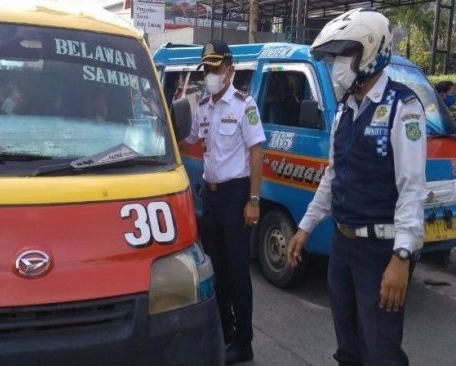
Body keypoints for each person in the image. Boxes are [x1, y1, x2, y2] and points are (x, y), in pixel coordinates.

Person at [286, 8, 427, 366]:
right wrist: (305, 227)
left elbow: (412, 187)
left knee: (380, 351)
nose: (337, 66)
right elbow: (334, 175)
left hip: (381, 252)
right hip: (343, 245)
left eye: (343, 56)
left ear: (368, 51)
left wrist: (402, 256)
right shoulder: (345, 110)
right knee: (348, 347)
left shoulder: (403, 106)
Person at [178, 40, 265, 365]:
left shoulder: (244, 105)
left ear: (229, 70)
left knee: (238, 272)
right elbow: (187, 137)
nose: (210, 74)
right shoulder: (204, 106)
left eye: (216, 68)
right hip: (211, 199)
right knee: (216, 269)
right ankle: (226, 332)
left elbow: (257, 152)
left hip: (236, 197)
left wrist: (253, 200)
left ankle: (244, 342)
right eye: (207, 69)